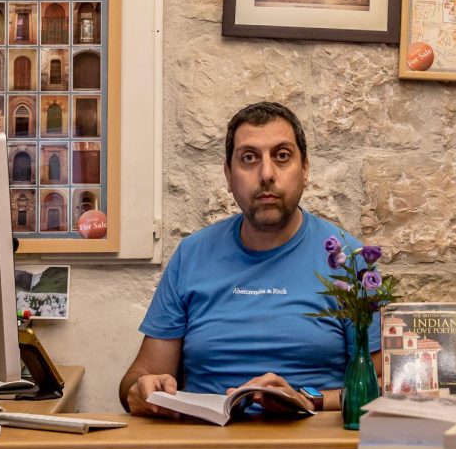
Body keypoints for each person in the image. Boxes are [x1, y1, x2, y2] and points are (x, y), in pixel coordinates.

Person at [119, 101, 381, 415]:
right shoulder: (192, 255)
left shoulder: (348, 260)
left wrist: (309, 400)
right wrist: (140, 390)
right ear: (228, 175)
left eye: (282, 156)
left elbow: (383, 383)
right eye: (249, 158)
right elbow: (138, 376)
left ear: (305, 169)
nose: (267, 174)